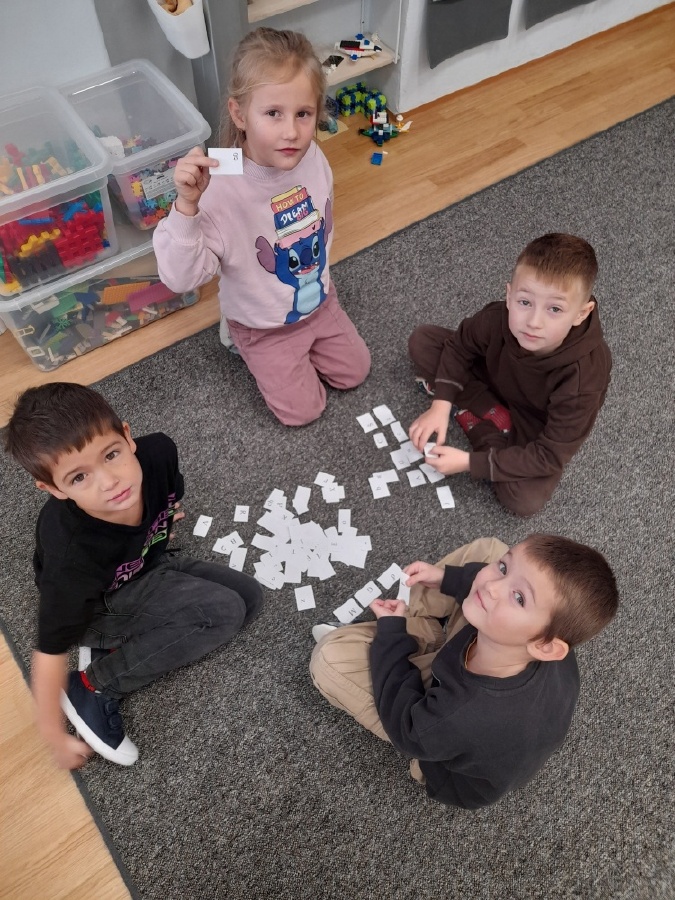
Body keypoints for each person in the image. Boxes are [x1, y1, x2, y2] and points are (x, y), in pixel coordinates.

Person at [4, 383, 264, 770]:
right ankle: (92, 686)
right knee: (223, 612)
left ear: (127, 436)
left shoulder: (159, 452)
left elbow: (169, 497)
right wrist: (53, 735)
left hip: (145, 563)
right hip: (97, 606)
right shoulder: (72, 555)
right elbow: (48, 652)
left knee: (249, 597)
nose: (110, 481)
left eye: (111, 455)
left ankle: (124, 638)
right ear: (53, 489)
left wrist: (162, 523)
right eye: (79, 478)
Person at [153, 27, 370, 426]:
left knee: (356, 371)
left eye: (303, 114)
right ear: (240, 115)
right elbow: (181, 280)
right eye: (273, 113)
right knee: (303, 411)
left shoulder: (312, 155)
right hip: (262, 326)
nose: (291, 132)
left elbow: (322, 224)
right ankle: (235, 332)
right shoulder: (218, 188)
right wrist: (186, 207)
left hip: (319, 302)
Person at [310, 535, 618, 809]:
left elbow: (409, 729)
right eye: (503, 568)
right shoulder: (539, 643)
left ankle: (412, 629)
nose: (493, 587)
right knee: (491, 549)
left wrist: (391, 635)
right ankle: (422, 626)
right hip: (483, 667)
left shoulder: (465, 714)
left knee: (328, 658)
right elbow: (496, 580)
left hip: (436, 747)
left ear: (546, 647)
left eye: (519, 598)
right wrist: (446, 578)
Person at [407, 233, 612, 515]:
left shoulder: (583, 378)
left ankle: (483, 427)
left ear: (581, 313)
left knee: (523, 500)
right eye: (524, 302)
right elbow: (459, 346)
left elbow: (549, 456)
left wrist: (469, 463)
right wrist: (440, 405)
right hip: (495, 378)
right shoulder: (497, 317)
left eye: (555, 309)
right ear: (509, 294)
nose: (534, 322)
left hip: (533, 421)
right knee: (423, 342)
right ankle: (490, 416)